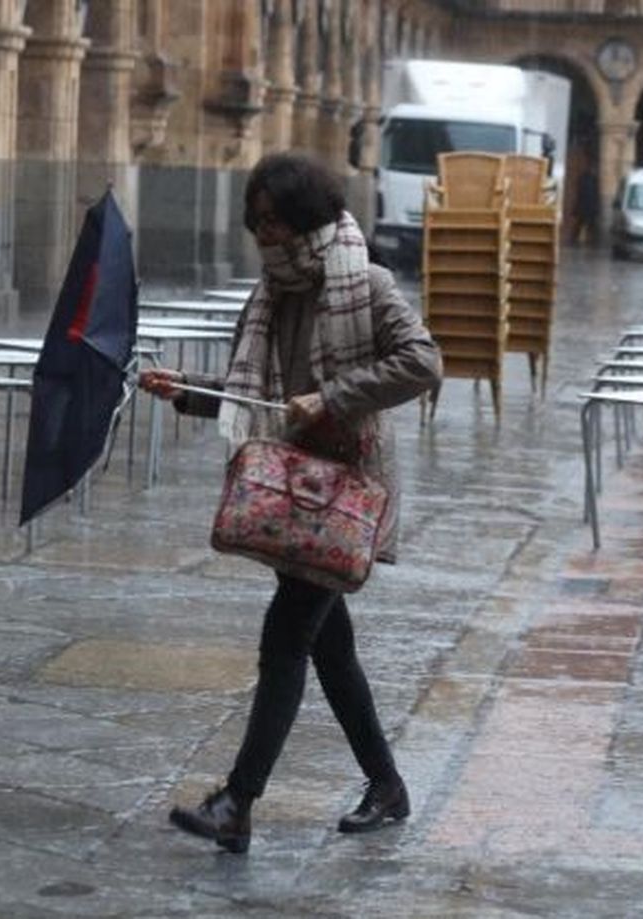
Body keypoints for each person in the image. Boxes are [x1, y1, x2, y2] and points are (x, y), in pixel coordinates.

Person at [139, 152, 442, 852]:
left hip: (347, 492)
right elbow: (263, 394)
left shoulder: (364, 284)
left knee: (285, 638)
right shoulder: (271, 294)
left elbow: (423, 360)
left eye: (272, 222)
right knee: (329, 650)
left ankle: (237, 802)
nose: (262, 234)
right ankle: (387, 785)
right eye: (256, 221)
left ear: (305, 220)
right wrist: (184, 387)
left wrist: (333, 397)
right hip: (291, 491)